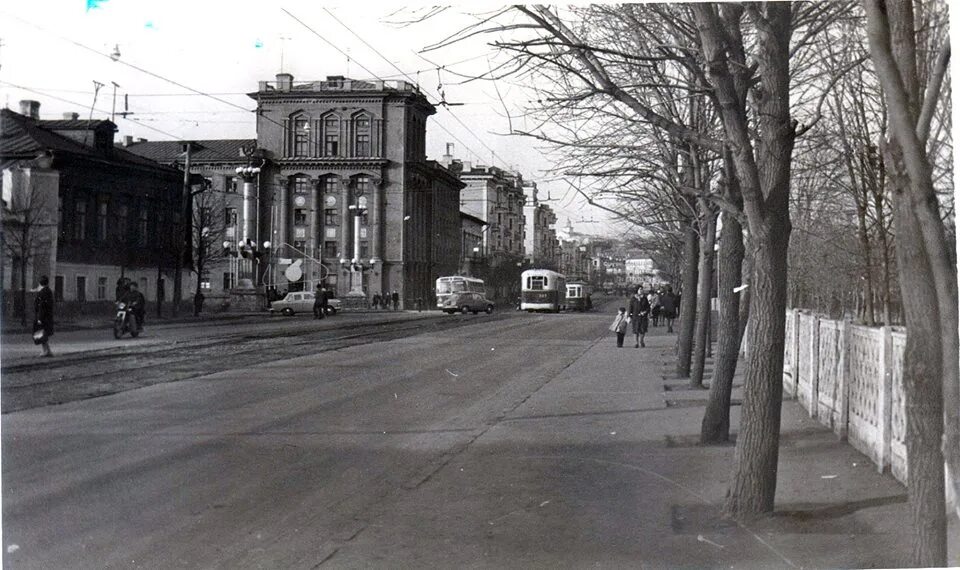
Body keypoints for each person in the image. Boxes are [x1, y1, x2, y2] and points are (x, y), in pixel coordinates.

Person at [33, 275, 54, 357]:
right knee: (43, 334)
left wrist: (39, 318)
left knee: (41, 334)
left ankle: (45, 351)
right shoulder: (49, 291)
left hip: (42, 317)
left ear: (40, 283)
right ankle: (48, 351)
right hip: (47, 316)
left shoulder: (42, 292)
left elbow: (41, 306)